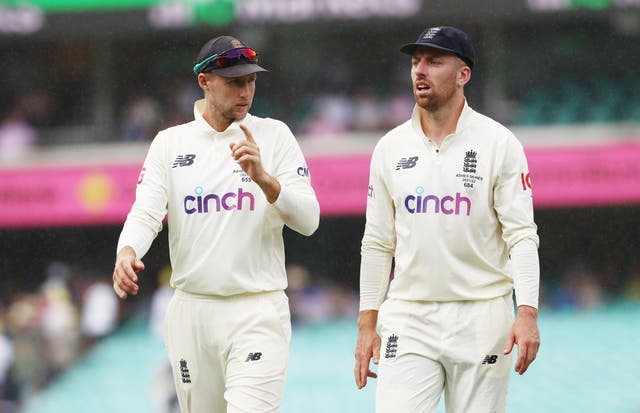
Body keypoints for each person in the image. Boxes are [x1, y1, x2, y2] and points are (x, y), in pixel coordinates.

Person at [112, 35, 320, 413]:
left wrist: (265, 179)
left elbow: (309, 219)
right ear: (204, 81)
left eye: (251, 81)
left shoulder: (274, 136)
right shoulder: (170, 144)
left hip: (258, 309)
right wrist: (127, 251)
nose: (246, 91)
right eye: (235, 82)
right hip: (192, 313)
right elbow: (146, 212)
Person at [354, 26, 541, 413]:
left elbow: (522, 235)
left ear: (463, 75)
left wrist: (527, 312)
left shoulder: (499, 143)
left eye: (434, 62)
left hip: (482, 316)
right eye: (415, 62)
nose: (420, 71)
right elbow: (377, 242)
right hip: (408, 316)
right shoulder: (389, 147)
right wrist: (366, 324)